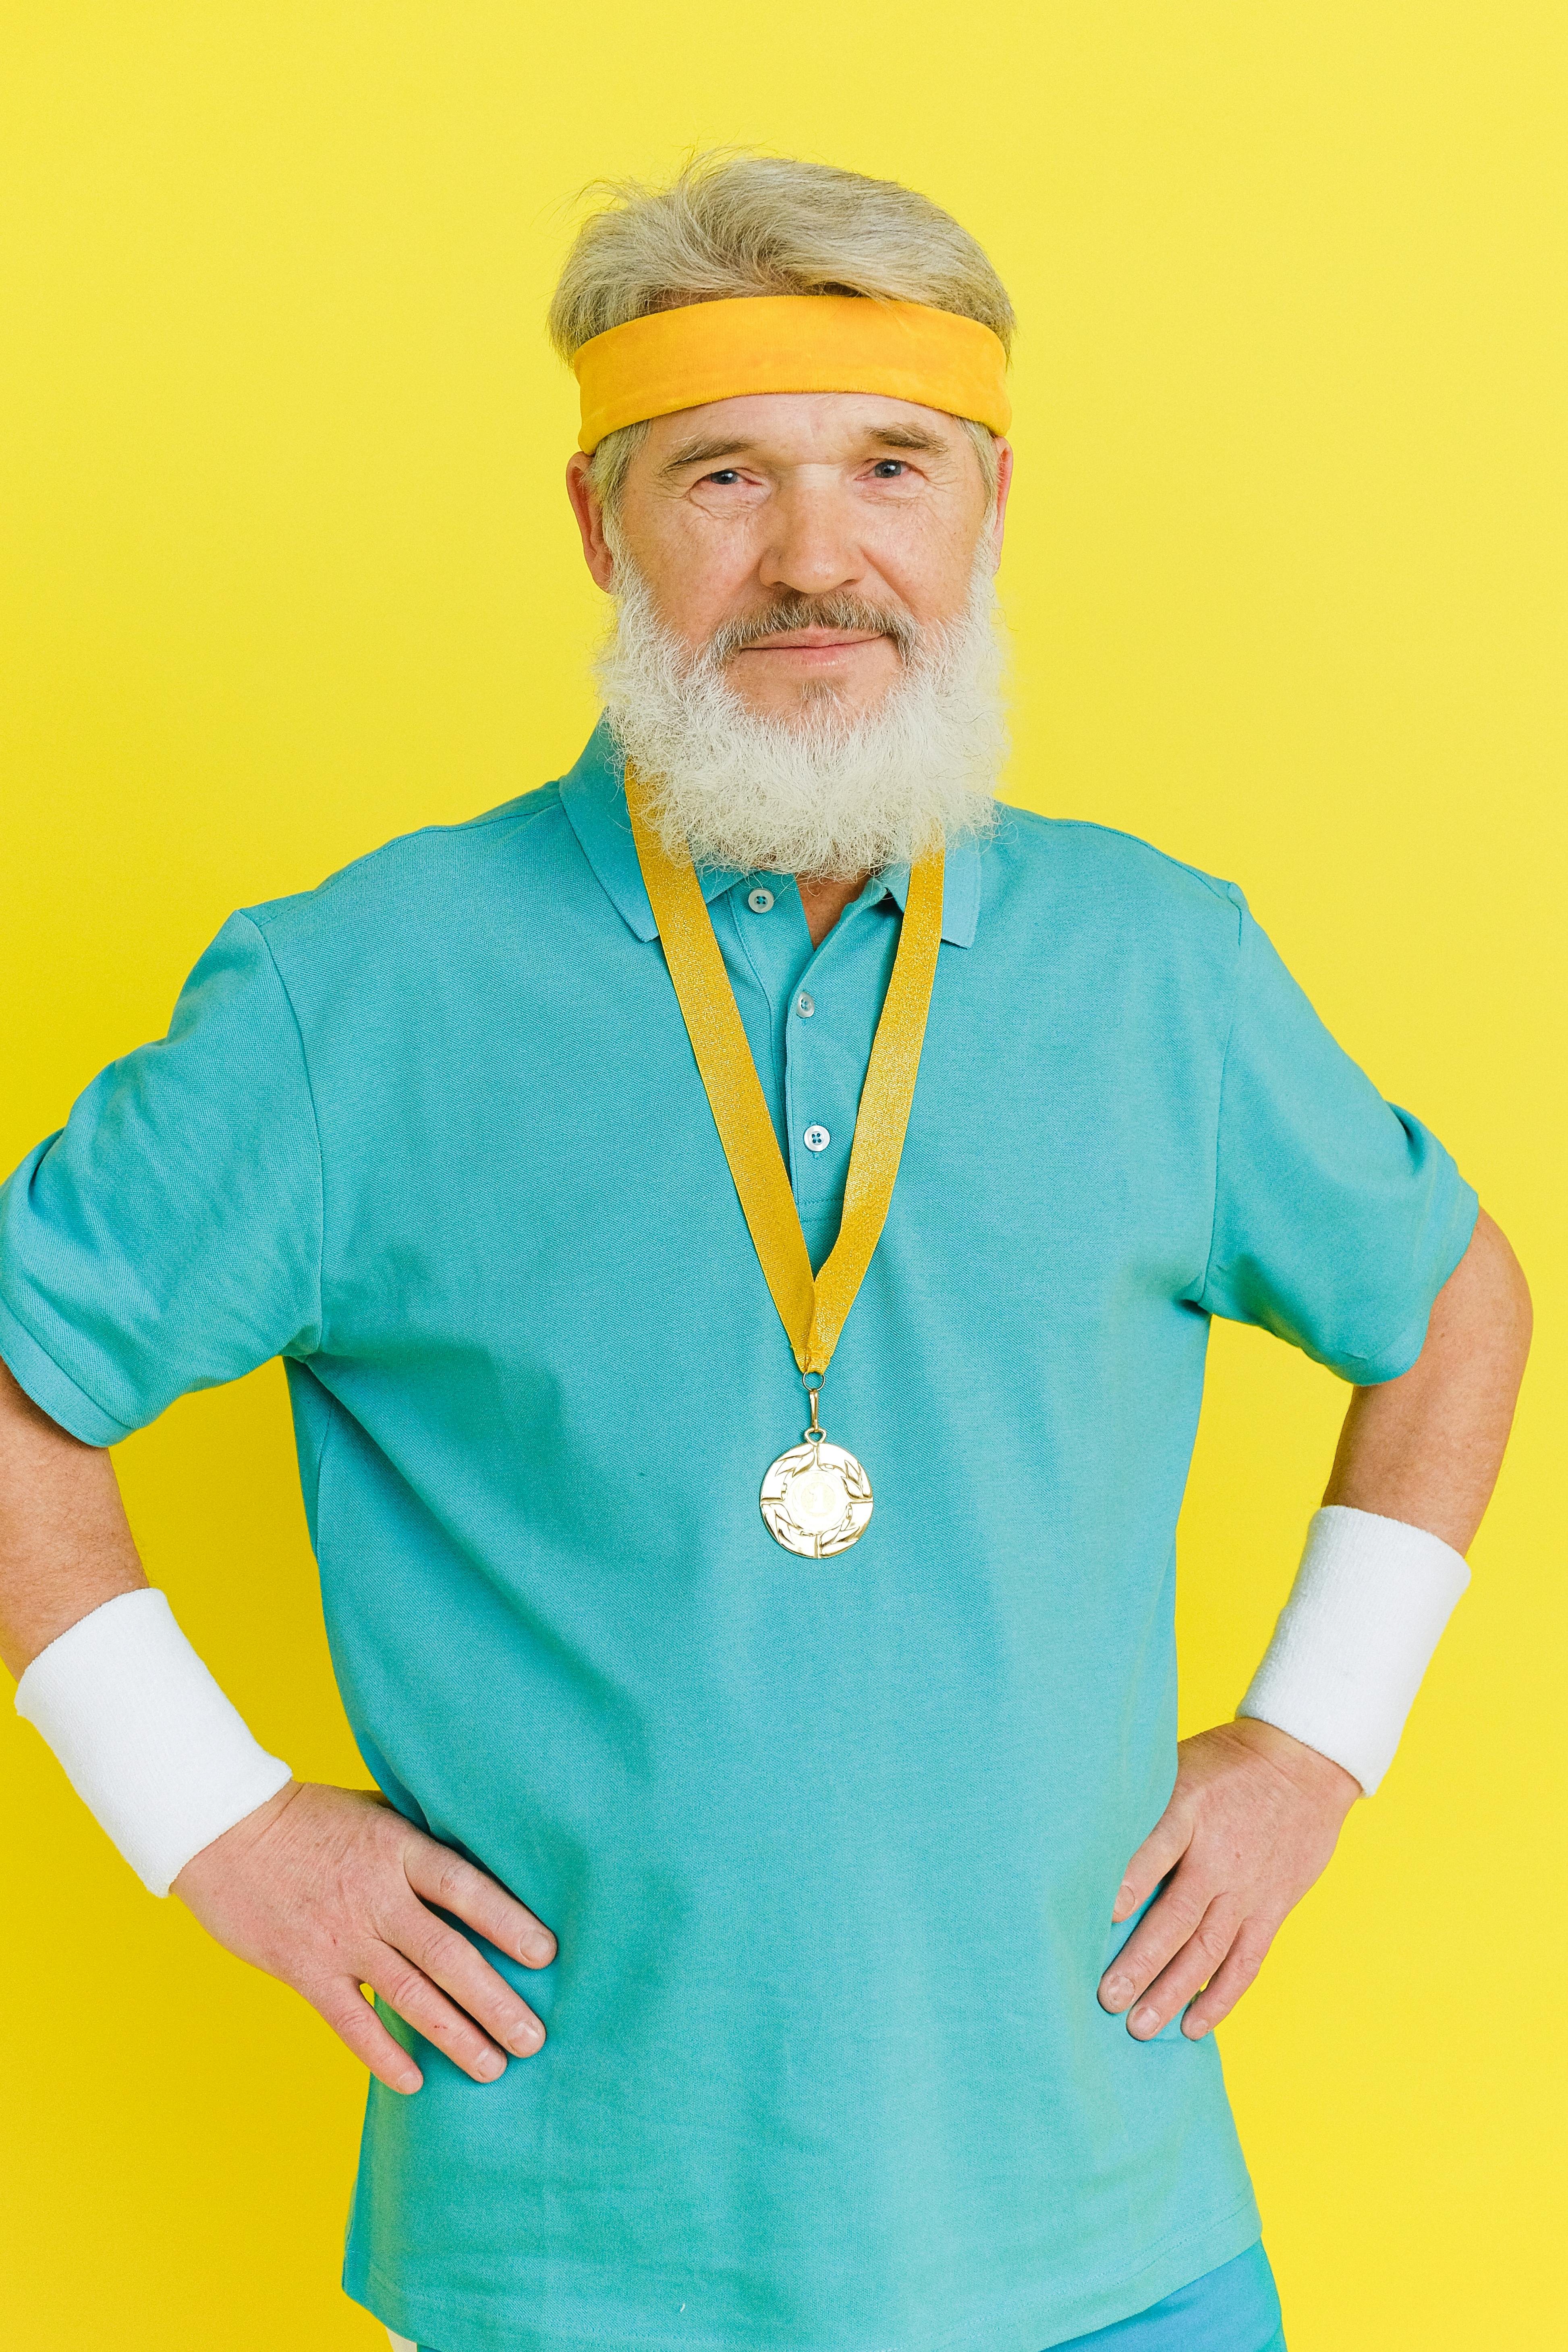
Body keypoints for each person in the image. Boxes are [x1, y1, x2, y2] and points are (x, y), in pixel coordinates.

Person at [0, 153, 1531, 2352]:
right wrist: (207, 1816)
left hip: (1115, 2232)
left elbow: (1448, 1297)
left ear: (984, 508)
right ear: (599, 522)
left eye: (887, 466)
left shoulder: (1159, 969)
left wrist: (1313, 1742)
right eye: (722, 473)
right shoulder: (366, 992)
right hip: (573, 2252)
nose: (816, 559)